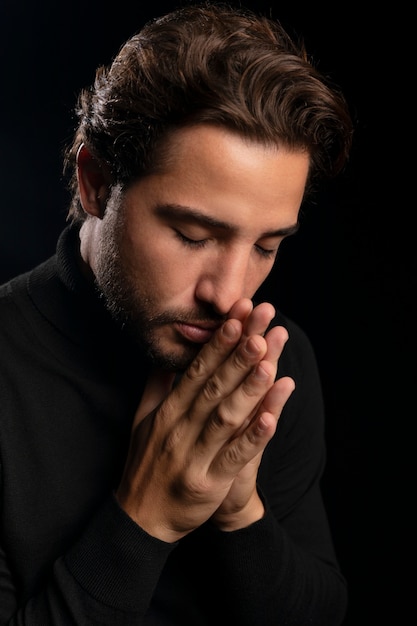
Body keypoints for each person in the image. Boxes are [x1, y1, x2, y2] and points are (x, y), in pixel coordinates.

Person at [0, 2, 353, 624]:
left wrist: (239, 513)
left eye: (266, 246)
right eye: (192, 235)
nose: (231, 294)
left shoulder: (274, 358)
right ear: (95, 183)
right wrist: (147, 515)